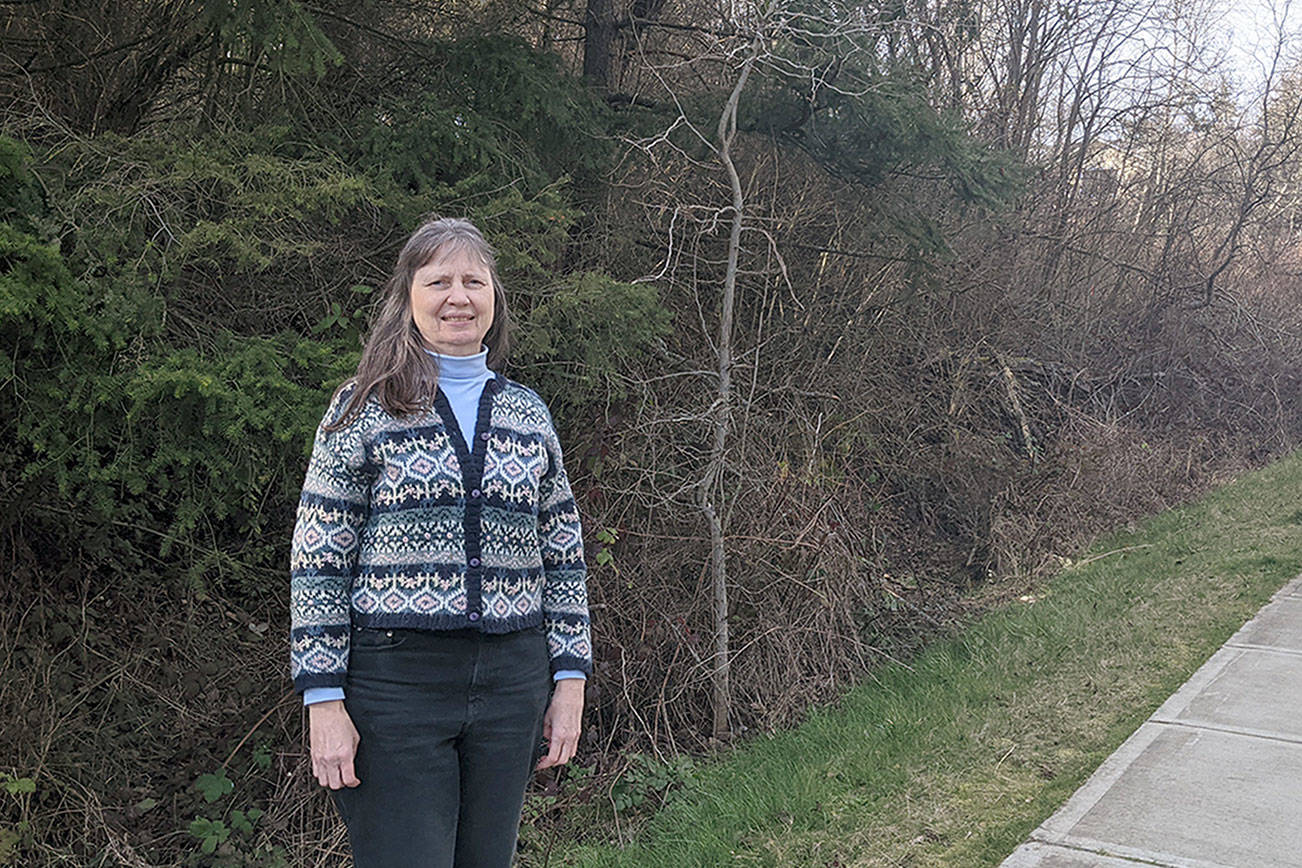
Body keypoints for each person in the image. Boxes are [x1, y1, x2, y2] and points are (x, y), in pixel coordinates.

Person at [288, 216, 592, 867]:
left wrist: (569, 679)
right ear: (409, 297)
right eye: (439, 281)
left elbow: (563, 554)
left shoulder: (528, 413)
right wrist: (323, 697)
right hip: (396, 684)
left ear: (494, 296)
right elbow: (319, 559)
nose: (458, 296)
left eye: (473, 281)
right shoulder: (362, 408)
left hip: (512, 682)